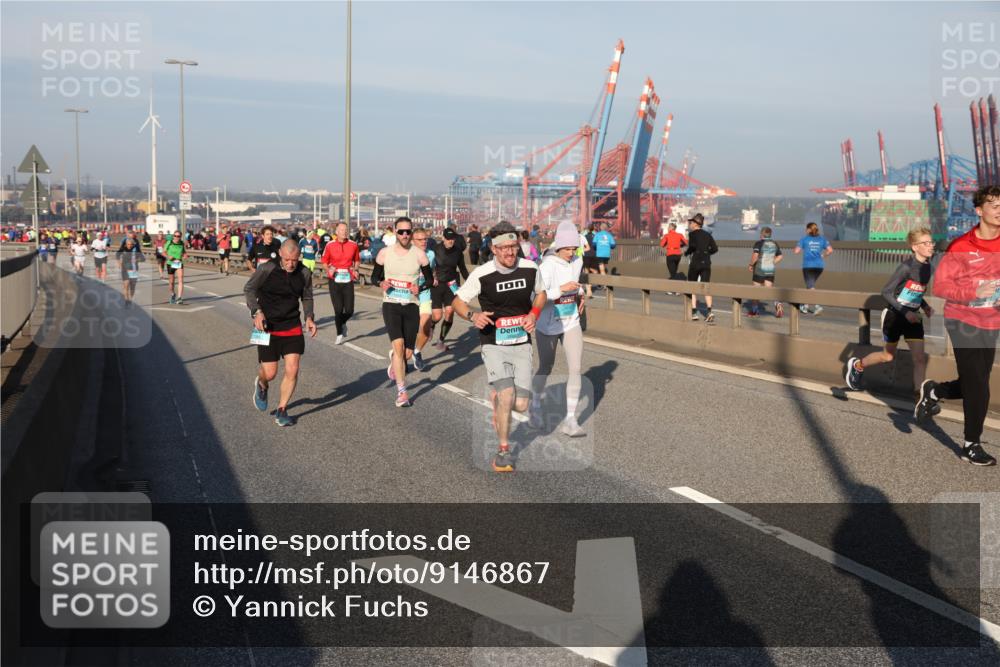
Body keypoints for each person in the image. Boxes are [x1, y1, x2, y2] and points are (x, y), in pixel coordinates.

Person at [914, 185, 1000, 466]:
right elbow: (941, 286)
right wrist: (974, 293)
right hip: (963, 320)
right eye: (993, 205)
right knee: (980, 387)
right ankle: (971, 444)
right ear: (979, 211)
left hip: (992, 320)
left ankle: (935, 391)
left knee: (974, 383)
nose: (999, 210)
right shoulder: (961, 246)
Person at [452, 221, 547, 473]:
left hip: (521, 342)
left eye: (513, 247)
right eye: (503, 248)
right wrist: (473, 317)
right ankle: (503, 451)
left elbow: (541, 293)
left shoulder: (530, 268)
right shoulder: (482, 274)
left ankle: (499, 403)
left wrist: (534, 314)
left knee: (522, 405)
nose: (509, 253)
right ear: (493, 249)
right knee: (507, 396)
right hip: (493, 342)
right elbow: (458, 301)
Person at [846, 227, 934, 394]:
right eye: (926, 243)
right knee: (888, 356)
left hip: (914, 317)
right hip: (895, 316)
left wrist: (924, 306)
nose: (931, 246)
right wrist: (905, 312)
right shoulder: (905, 268)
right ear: (915, 247)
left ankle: (919, 398)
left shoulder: (928, 267)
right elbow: (886, 292)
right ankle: (858, 365)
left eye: (931, 242)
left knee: (920, 358)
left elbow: (915, 291)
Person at [246, 239, 318, 427]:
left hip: (292, 325)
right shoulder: (266, 269)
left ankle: (282, 409)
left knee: (292, 368)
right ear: (280, 254)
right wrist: (256, 312)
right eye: (287, 259)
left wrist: (309, 317)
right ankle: (261, 384)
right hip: (267, 326)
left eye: (294, 260)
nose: (290, 264)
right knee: (270, 373)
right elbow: (250, 289)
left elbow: (307, 296)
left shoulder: (304, 272)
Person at [370, 217, 434, 407]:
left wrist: (420, 288)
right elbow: (374, 277)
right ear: (395, 232)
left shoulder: (420, 255)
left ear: (411, 233)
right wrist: (382, 283)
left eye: (408, 232)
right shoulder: (384, 253)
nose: (405, 235)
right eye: (401, 232)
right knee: (398, 347)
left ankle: (395, 359)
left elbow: (430, 280)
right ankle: (402, 392)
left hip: (411, 305)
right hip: (391, 304)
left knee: (406, 354)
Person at [531, 222, 586, 437]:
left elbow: (576, 284)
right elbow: (537, 298)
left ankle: (570, 420)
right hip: (547, 323)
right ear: (558, 247)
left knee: (575, 368)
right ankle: (535, 405)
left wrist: (581, 294)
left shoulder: (577, 261)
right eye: (568, 249)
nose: (571, 253)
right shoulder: (547, 266)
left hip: (570, 321)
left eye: (574, 249)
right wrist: (560, 290)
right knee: (546, 365)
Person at [429, 227, 469, 352]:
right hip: (437, 284)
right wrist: (430, 278)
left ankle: (440, 341)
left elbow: (463, 269)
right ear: (443, 238)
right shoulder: (435, 250)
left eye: (452, 239)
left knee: (450, 312)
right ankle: (431, 325)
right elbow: (427, 266)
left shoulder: (458, 252)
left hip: (452, 285)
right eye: (448, 239)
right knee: (437, 316)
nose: (450, 241)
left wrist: (469, 283)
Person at [321, 222, 360, 345]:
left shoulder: (353, 245)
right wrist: (328, 270)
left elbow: (357, 260)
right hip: (335, 280)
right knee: (338, 310)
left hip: (348, 279)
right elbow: (324, 261)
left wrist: (356, 269)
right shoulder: (330, 245)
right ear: (336, 232)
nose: (344, 232)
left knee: (349, 310)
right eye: (342, 230)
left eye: (346, 230)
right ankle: (339, 333)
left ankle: (342, 323)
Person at [684, 213, 718, 322]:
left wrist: (686, 252)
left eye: (691, 222)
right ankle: (709, 312)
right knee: (705, 286)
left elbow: (692, 246)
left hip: (696, 262)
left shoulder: (692, 234)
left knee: (692, 286)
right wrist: (706, 253)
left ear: (696, 224)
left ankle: (694, 313)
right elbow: (715, 248)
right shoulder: (708, 234)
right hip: (706, 263)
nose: (690, 224)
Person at [412, 228, 437, 371]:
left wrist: (434, 278)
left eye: (425, 239)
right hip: (408, 295)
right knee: (409, 331)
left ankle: (417, 351)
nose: (424, 242)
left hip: (424, 293)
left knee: (426, 326)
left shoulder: (431, 254)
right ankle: (401, 355)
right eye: (420, 240)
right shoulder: (408, 255)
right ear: (412, 241)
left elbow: (433, 271)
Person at [794, 221, 833, 315]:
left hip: (808, 266)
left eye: (806, 229)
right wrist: (823, 255)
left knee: (810, 286)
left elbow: (796, 251)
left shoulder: (804, 239)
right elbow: (830, 250)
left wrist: (799, 247)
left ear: (808, 230)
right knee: (810, 285)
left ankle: (818, 305)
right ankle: (805, 306)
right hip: (819, 266)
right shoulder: (822, 239)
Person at [747, 226, 784, 318]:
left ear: (762, 235)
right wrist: (772, 262)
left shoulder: (759, 243)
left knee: (756, 291)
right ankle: (778, 304)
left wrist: (751, 265)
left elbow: (755, 256)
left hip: (759, 270)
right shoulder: (774, 244)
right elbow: (780, 256)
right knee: (769, 290)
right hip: (770, 271)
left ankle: (755, 311)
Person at [117, 235, 144, 306]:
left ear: (133, 244)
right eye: (128, 244)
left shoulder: (136, 249)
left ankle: (131, 300)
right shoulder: (123, 248)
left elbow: (143, 258)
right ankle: (126, 300)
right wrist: (119, 262)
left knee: (132, 287)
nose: (129, 246)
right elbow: (117, 254)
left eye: (131, 244)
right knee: (126, 285)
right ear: (126, 244)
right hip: (125, 269)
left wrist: (137, 260)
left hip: (134, 270)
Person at [164, 230, 187, 304]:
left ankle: (179, 298)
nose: (177, 237)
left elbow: (183, 252)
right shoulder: (169, 242)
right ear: (173, 236)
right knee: (171, 282)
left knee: (180, 279)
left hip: (178, 262)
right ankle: (173, 294)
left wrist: (185, 255)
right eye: (175, 236)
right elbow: (163, 252)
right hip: (170, 263)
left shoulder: (181, 243)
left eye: (178, 236)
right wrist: (168, 256)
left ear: (180, 237)